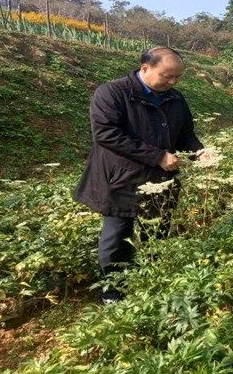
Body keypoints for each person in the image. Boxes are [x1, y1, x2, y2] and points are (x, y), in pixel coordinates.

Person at [73, 47, 203, 303]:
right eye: (167, 76)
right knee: (117, 236)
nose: (173, 82)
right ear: (145, 68)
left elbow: (185, 135)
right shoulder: (112, 93)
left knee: (157, 232)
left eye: (178, 77)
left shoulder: (175, 98)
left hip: (161, 180)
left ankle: (150, 282)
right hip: (121, 179)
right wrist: (158, 156)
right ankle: (113, 292)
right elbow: (106, 134)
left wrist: (200, 152)